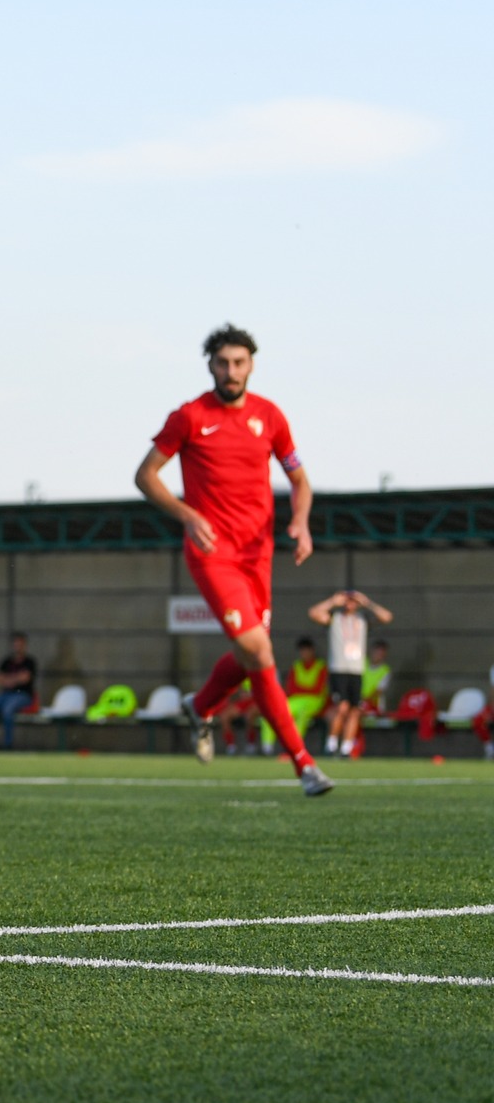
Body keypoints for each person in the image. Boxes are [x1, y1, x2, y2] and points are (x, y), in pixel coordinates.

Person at [135, 323, 332, 795]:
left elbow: (300, 480)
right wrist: (186, 515)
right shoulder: (189, 417)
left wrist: (301, 522)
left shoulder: (271, 417)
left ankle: (201, 707)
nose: (231, 371)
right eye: (222, 363)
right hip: (212, 554)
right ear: (210, 365)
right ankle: (305, 765)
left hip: (257, 556)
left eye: (239, 362)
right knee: (260, 650)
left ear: (252, 365)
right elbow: (146, 475)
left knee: (251, 653)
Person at [309, 589, 394, 758]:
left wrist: (367, 602)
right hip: (339, 670)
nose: (350, 603)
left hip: (356, 671)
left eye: (353, 600)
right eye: (348, 600)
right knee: (341, 708)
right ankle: (331, 744)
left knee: (355, 711)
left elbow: (387, 617)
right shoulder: (335, 619)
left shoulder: (362, 620)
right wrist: (333, 601)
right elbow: (314, 613)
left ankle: (346, 747)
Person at [0, 632, 37, 750]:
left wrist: (9, 679)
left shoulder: (30, 662)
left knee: (7, 710)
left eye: (20, 643)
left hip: (23, 695)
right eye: (16, 643)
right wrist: (16, 678)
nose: (18, 646)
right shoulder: (6, 662)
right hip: (6, 695)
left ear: (24, 645)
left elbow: (25, 679)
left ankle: (7, 745)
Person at [280, 636, 328, 753]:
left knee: (303, 714)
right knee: (277, 711)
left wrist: (300, 689)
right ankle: (268, 748)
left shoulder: (321, 666)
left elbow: (317, 690)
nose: (304, 653)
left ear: (313, 651)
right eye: (302, 651)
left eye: (307, 650)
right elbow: (290, 689)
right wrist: (306, 689)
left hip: (315, 701)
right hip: (297, 700)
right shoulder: (296, 665)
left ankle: (294, 750)